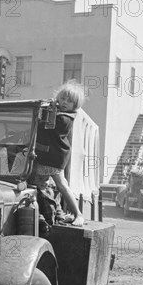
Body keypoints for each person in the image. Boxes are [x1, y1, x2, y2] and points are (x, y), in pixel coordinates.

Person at [32, 81, 86, 227]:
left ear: (76, 105)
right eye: (62, 98)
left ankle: (78, 215)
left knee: (61, 185)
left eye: (69, 101)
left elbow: (45, 125)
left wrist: (47, 109)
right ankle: (57, 213)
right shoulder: (59, 113)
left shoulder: (65, 118)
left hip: (54, 156)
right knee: (42, 184)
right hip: (48, 154)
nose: (64, 102)